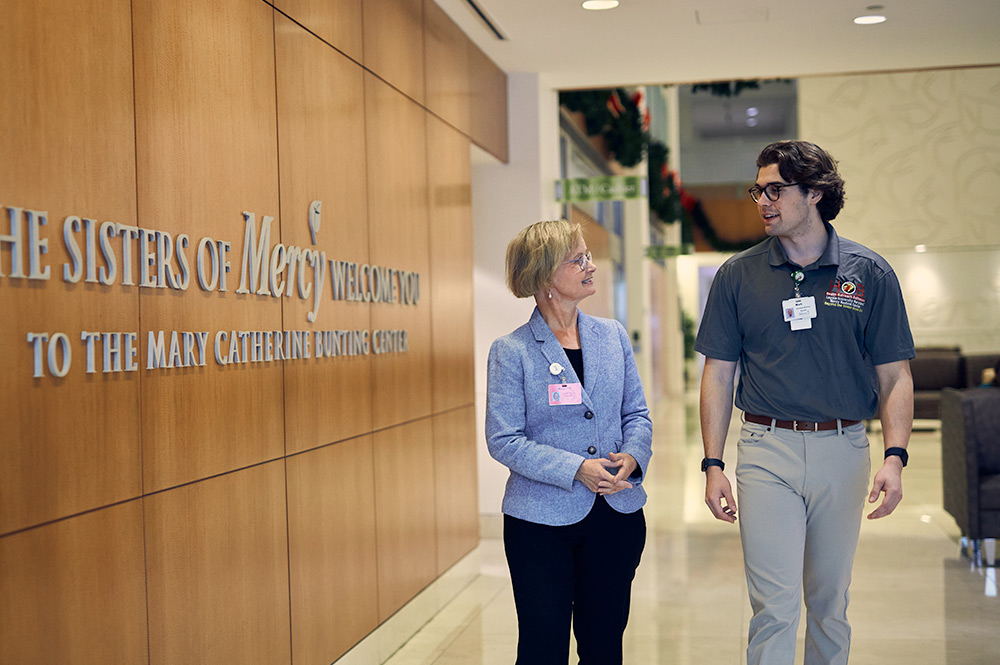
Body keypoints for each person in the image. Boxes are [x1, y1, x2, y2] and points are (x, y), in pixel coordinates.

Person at [696, 140, 915, 665]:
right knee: (773, 606)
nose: (763, 201)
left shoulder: (868, 273)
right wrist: (712, 463)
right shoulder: (737, 276)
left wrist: (895, 456)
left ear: (815, 192)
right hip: (766, 449)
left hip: (843, 450)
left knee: (829, 602)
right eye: (758, 190)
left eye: (776, 189)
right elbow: (719, 375)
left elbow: (895, 374)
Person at [486, 219, 652, 665]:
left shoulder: (613, 336)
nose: (591, 265)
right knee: (543, 648)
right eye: (577, 259)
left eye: (588, 256)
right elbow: (503, 439)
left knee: (604, 647)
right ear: (543, 277)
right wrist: (576, 468)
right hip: (540, 525)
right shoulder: (512, 351)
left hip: (615, 516)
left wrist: (633, 459)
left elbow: (636, 413)